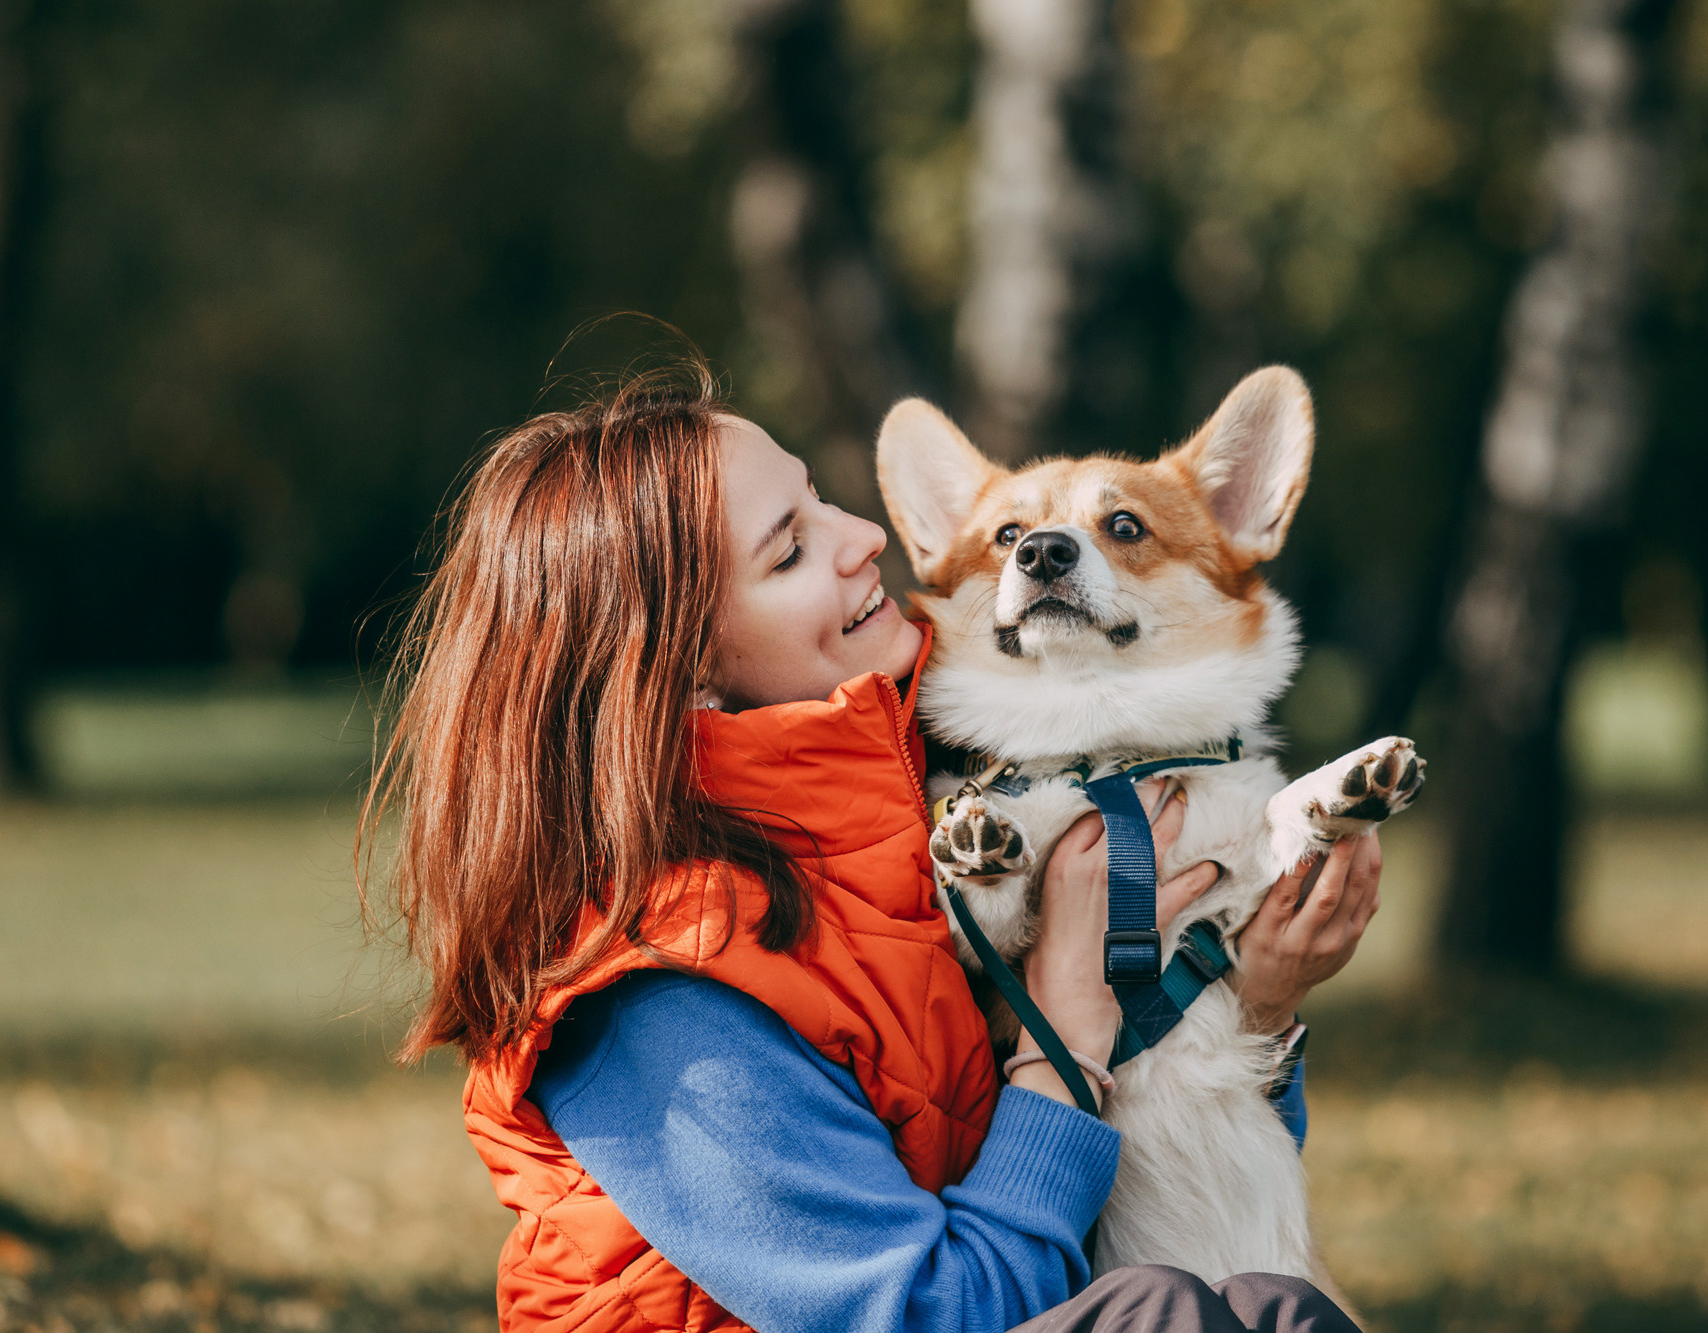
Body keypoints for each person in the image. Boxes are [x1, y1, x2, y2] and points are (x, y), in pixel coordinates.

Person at [362, 363, 1380, 1333]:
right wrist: (1067, 1010)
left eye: (817, 501)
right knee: (1165, 1315)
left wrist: (1253, 1007)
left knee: (1268, 1310)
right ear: (687, 679)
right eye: (789, 551)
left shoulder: (898, 839)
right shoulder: (659, 999)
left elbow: (1177, 1195)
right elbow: (938, 1315)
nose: (860, 537)